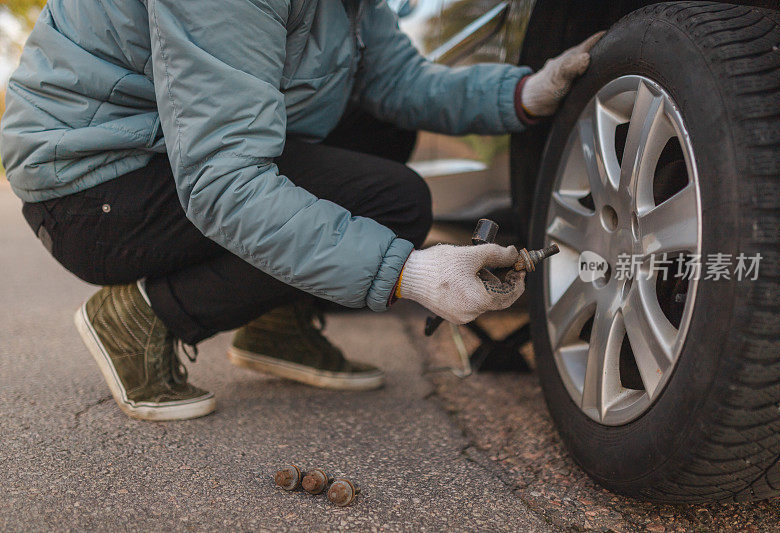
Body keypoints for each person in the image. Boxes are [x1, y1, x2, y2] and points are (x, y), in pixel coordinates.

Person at [0, 0, 602, 421]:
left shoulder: (351, 5)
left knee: (380, 133)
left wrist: (525, 93)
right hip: (91, 187)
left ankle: (275, 324)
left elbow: (400, 82)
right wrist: (406, 273)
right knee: (394, 203)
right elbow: (223, 180)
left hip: (162, 152)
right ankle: (144, 316)